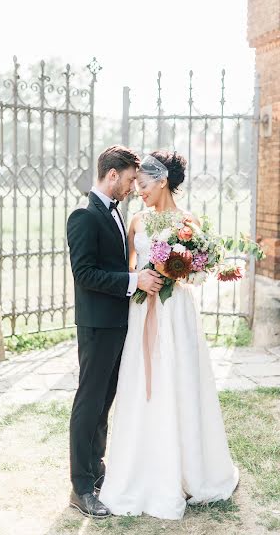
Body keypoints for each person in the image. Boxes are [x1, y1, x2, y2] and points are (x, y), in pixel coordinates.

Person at [99, 151, 239, 520]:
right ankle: (142, 471)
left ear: (162, 181)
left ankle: (190, 470)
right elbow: (129, 269)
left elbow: (198, 271)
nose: (138, 192)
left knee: (180, 382)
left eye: (143, 185)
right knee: (143, 385)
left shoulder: (188, 223)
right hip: (143, 309)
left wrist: (182, 270)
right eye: (136, 185)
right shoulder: (136, 221)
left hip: (177, 313)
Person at [67, 145, 163, 518]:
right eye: (126, 180)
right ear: (111, 175)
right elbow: (85, 274)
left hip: (117, 325)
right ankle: (79, 487)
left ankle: (97, 473)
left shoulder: (117, 215)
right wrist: (132, 280)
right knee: (88, 404)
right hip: (96, 326)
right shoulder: (83, 217)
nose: (130, 187)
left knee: (104, 403)